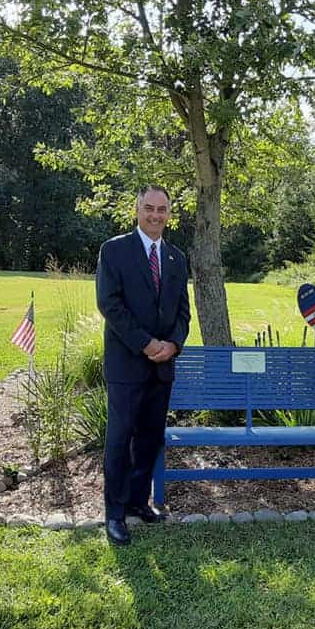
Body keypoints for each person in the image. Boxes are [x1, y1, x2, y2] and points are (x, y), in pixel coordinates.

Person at [96, 185, 191, 545]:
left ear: (169, 213)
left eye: (162, 209)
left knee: (150, 439)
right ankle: (115, 513)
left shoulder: (176, 258)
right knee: (120, 440)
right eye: (149, 208)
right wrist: (146, 343)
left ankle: (138, 502)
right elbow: (110, 304)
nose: (155, 215)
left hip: (162, 367)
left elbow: (184, 311)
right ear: (137, 210)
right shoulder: (114, 250)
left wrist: (173, 344)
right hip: (126, 365)